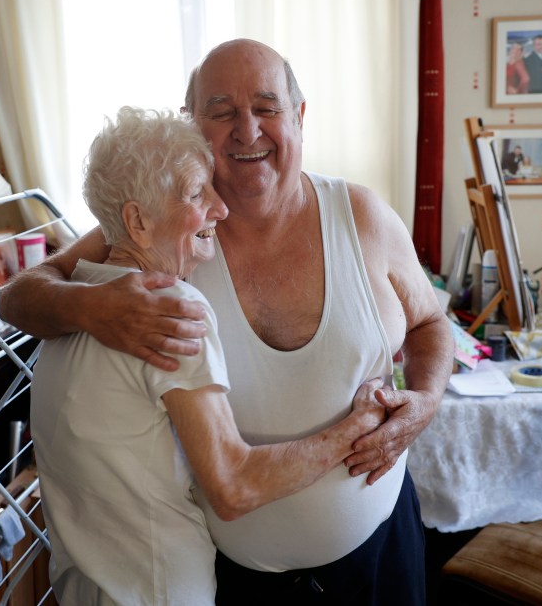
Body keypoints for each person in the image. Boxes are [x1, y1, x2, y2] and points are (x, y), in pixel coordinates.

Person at [1, 39, 453, 604]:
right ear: (193, 125)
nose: (247, 131)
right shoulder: (172, 229)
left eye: (267, 108)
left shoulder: (362, 216)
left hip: (381, 556)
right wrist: (94, 307)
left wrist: (427, 399)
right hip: (235, 583)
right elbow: (19, 295)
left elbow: (431, 325)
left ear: (299, 117)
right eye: (221, 112)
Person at [31, 106, 387, 604]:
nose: (221, 209)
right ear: (137, 220)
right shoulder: (169, 309)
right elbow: (233, 487)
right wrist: (356, 428)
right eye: (198, 193)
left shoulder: (66, 312)